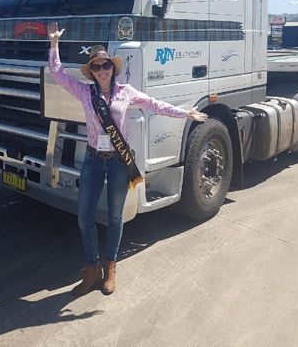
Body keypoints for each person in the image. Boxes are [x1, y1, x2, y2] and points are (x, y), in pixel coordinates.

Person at [48, 21, 207, 296]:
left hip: (120, 160)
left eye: (105, 65)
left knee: (114, 216)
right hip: (94, 159)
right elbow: (58, 73)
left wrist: (186, 114)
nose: (102, 70)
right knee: (84, 217)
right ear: (91, 71)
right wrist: (54, 44)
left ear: (113, 67)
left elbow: (155, 105)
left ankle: (110, 269)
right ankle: (90, 270)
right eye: (96, 67)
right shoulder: (85, 92)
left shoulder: (126, 92)